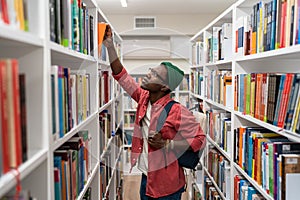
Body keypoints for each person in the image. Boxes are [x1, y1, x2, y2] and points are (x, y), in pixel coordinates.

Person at [103, 25, 206, 200]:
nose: (148, 73)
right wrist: (110, 46)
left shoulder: (177, 110)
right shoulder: (143, 98)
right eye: (151, 70)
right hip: (147, 176)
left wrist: (169, 144)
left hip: (168, 185)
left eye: (155, 75)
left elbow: (200, 140)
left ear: (164, 87)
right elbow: (121, 75)